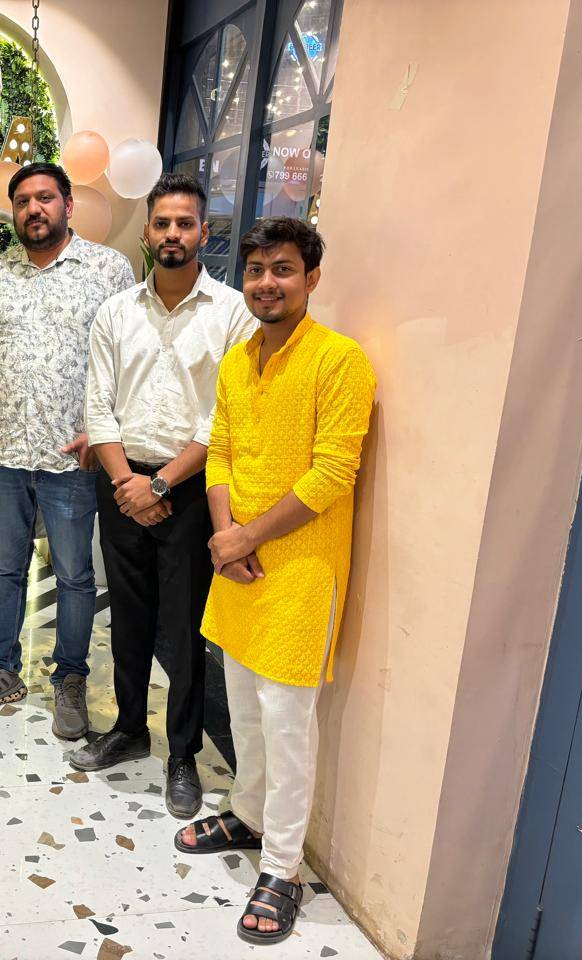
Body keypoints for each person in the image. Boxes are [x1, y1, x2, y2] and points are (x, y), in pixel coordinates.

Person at [173, 217, 375, 947]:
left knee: (288, 725)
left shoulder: (340, 361)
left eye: (282, 269)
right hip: (238, 563)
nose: (266, 283)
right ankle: (248, 815)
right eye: (256, 270)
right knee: (244, 710)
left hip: (301, 570)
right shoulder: (237, 362)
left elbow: (333, 473)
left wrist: (247, 537)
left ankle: (282, 868)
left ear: (311, 278)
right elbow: (221, 453)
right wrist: (225, 538)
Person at [71, 173, 257, 819]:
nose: (172, 234)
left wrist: (158, 484)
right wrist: (128, 484)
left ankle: (182, 754)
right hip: (121, 481)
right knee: (127, 616)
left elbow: (223, 419)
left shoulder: (232, 312)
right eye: (162, 223)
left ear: (204, 232)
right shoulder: (116, 312)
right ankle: (128, 728)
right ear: (147, 234)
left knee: (182, 628)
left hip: (191, 488)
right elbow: (99, 406)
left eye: (185, 223)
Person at [0, 162, 134, 738]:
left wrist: (103, 433)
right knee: (5, 568)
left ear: (68, 205)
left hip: (73, 456)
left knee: (75, 575)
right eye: (23, 200)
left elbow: (127, 362)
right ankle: (2, 669)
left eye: (46, 198)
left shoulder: (109, 270)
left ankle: (70, 678)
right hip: (2, 451)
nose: (34, 209)